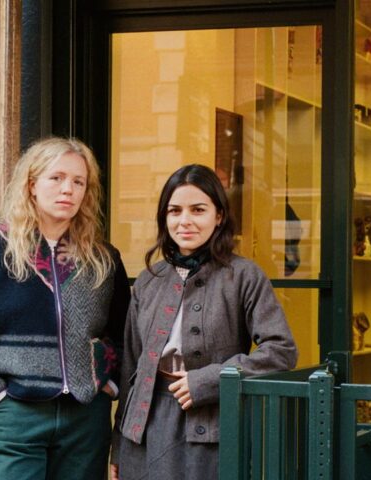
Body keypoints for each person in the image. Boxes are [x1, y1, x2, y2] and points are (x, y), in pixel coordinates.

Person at [0, 136, 130, 479]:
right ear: (32, 184)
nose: (68, 189)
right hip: (16, 415)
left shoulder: (103, 258)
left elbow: (126, 332)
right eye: (56, 178)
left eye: (79, 182)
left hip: (85, 420)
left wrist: (108, 383)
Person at [110, 164, 298, 480]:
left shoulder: (244, 276)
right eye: (174, 211)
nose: (185, 220)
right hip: (144, 429)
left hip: (212, 424)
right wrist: (118, 445)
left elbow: (281, 351)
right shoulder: (148, 280)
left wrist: (212, 379)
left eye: (198, 210)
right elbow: (131, 365)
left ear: (219, 215)